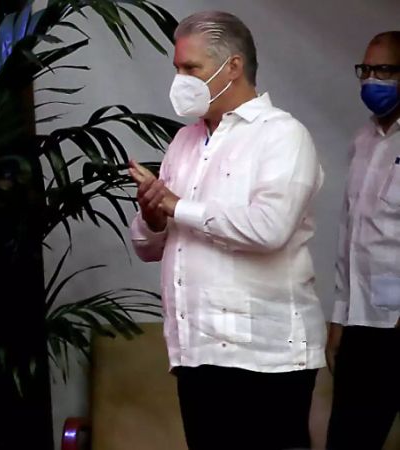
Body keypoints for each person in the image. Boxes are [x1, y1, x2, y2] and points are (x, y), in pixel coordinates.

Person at [128, 11, 326, 450]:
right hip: (196, 351)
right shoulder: (183, 141)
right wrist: (156, 216)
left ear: (232, 66)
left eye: (190, 69)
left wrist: (178, 206)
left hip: (267, 358)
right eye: (177, 69)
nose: (180, 80)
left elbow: (269, 229)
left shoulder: (282, 135)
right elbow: (147, 246)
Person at [326, 31, 400, 450]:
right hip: (363, 323)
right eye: (366, 70)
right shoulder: (363, 141)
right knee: (349, 439)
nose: (372, 80)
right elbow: (348, 235)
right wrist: (339, 316)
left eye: (385, 70)